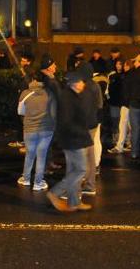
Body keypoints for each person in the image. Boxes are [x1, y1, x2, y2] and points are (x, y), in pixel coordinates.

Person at [47, 72, 93, 213]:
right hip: (73, 140)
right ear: (73, 83)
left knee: (73, 171)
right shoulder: (68, 98)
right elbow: (66, 122)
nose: (82, 84)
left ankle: (74, 202)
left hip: (72, 139)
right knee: (80, 170)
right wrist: (81, 133)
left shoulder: (71, 96)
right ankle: (55, 192)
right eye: (80, 82)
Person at [17, 71, 56, 191]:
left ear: (33, 80)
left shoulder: (25, 93)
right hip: (47, 129)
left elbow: (20, 111)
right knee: (41, 155)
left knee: (30, 154)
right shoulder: (50, 94)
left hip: (29, 128)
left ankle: (26, 178)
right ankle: (38, 182)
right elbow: (54, 113)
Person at [77, 62, 103, 196]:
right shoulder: (96, 86)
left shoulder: (82, 87)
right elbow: (100, 105)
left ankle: (78, 187)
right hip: (93, 123)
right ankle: (90, 184)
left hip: (83, 125)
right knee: (90, 155)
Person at [106, 58, 129, 153]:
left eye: (120, 64)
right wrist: (109, 98)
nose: (118, 66)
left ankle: (126, 141)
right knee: (116, 121)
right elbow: (108, 89)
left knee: (124, 123)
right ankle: (116, 140)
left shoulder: (126, 76)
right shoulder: (112, 75)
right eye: (117, 64)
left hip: (123, 102)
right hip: (114, 102)